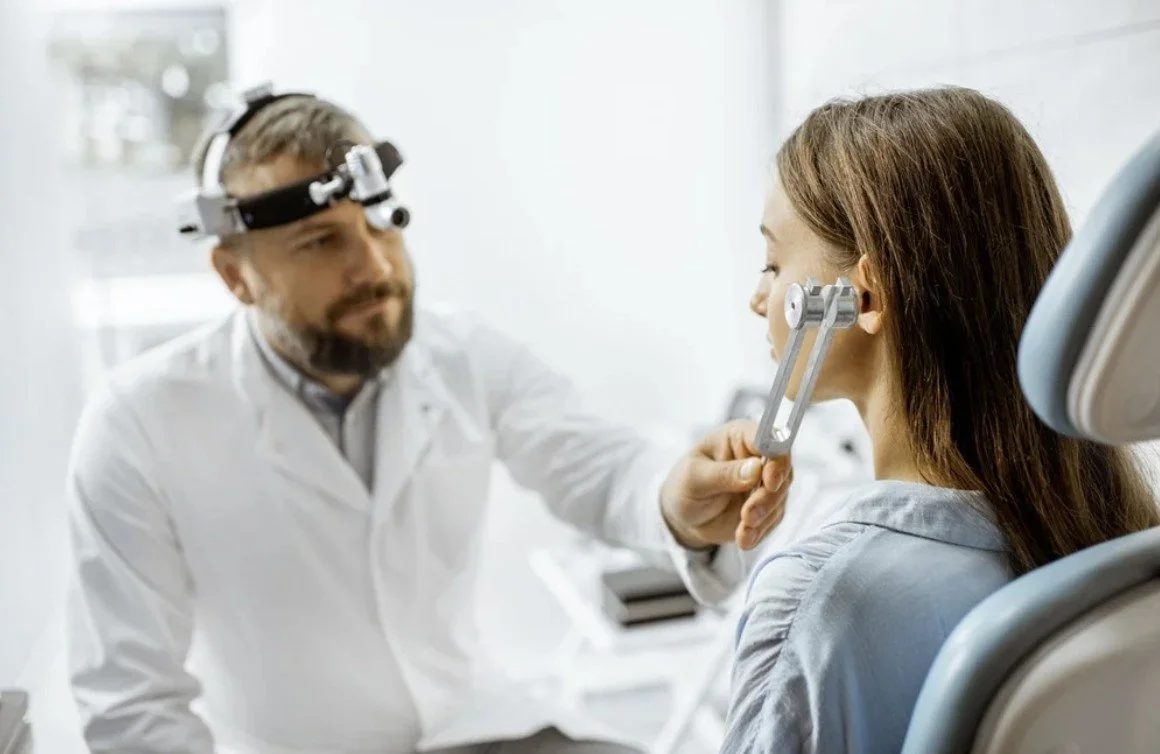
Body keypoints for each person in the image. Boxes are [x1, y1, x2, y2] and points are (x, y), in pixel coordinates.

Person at [64, 91, 793, 754]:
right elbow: (134, 708)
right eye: (322, 242)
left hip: (479, 729)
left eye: (382, 225)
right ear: (235, 275)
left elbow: (599, 467)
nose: (374, 266)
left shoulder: (463, 355)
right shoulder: (138, 424)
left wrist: (678, 501)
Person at [723, 86, 1160, 754]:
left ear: (861, 296)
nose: (759, 298)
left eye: (773, 264)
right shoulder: (1118, 548)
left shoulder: (819, 601)